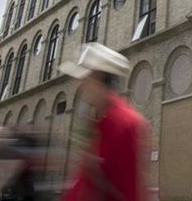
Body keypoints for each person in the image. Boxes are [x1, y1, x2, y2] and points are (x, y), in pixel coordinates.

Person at [60, 43, 150, 201]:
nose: (81, 85)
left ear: (97, 78)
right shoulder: (101, 119)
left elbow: (128, 190)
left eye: (85, 79)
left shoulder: (123, 123)